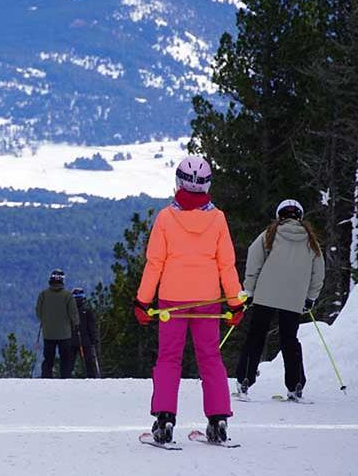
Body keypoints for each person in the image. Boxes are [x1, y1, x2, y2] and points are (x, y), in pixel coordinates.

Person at [134, 156, 244, 445]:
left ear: (178, 182)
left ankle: (164, 419)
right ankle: (218, 420)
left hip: (172, 300)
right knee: (210, 358)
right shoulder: (217, 219)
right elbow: (226, 265)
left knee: (169, 358)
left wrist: (142, 301)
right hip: (208, 300)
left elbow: (154, 263)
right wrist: (236, 303)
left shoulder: (166, 218)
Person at [233, 199, 325, 401]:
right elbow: (318, 273)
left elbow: (254, 261)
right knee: (289, 340)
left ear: (279, 215)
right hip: (294, 298)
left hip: (265, 295)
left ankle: (245, 381)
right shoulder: (311, 241)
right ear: (300, 216)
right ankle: (295, 385)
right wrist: (310, 297)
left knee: (256, 337)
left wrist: (249, 291)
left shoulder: (269, 234)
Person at [36, 269, 78, 378]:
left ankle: (46, 378)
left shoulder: (43, 295)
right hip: (65, 334)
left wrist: (45, 321)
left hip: (48, 333)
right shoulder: (68, 296)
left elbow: (38, 312)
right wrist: (75, 325)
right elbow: (73, 314)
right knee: (65, 359)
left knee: (48, 359)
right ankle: (65, 379)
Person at [69, 287, 101, 378]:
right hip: (86, 341)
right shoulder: (87, 311)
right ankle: (92, 378)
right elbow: (91, 327)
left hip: (71, 341)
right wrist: (94, 339)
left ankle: (65, 378)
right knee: (89, 363)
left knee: (69, 363)